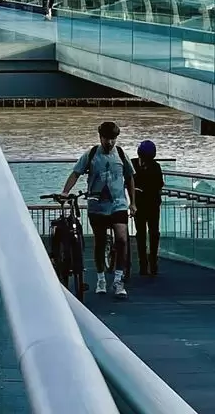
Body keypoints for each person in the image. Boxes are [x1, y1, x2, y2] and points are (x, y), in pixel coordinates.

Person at [61, 121, 136, 298]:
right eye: (106, 139)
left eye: (113, 139)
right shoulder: (91, 154)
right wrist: (65, 191)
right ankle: (101, 278)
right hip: (97, 205)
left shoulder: (121, 154)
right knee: (100, 242)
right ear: (100, 137)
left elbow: (130, 177)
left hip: (118, 204)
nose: (110, 143)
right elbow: (75, 173)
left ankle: (118, 281)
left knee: (122, 240)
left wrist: (133, 202)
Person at [131, 140, 164, 276]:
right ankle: (144, 263)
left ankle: (151, 261)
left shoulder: (152, 166)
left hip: (150, 204)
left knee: (152, 233)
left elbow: (159, 184)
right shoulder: (152, 166)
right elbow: (160, 184)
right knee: (143, 234)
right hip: (143, 204)